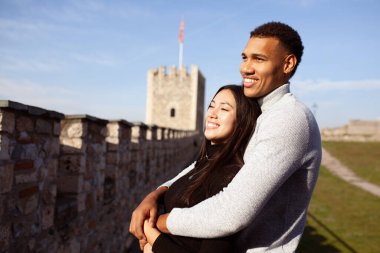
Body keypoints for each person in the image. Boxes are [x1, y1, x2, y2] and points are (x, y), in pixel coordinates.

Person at [130, 21, 322, 253]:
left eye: (258, 59)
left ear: (287, 63)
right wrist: (156, 193)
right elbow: (208, 162)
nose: (245, 68)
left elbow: (230, 213)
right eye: (244, 57)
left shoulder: (289, 118)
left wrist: (156, 224)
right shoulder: (260, 112)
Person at [138, 84, 261, 252]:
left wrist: (151, 234)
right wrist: (153, 197)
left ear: (242, 121)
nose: (212, 113)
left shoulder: (230, 177)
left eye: (224, 109)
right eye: (211, 106)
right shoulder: (203, 163)